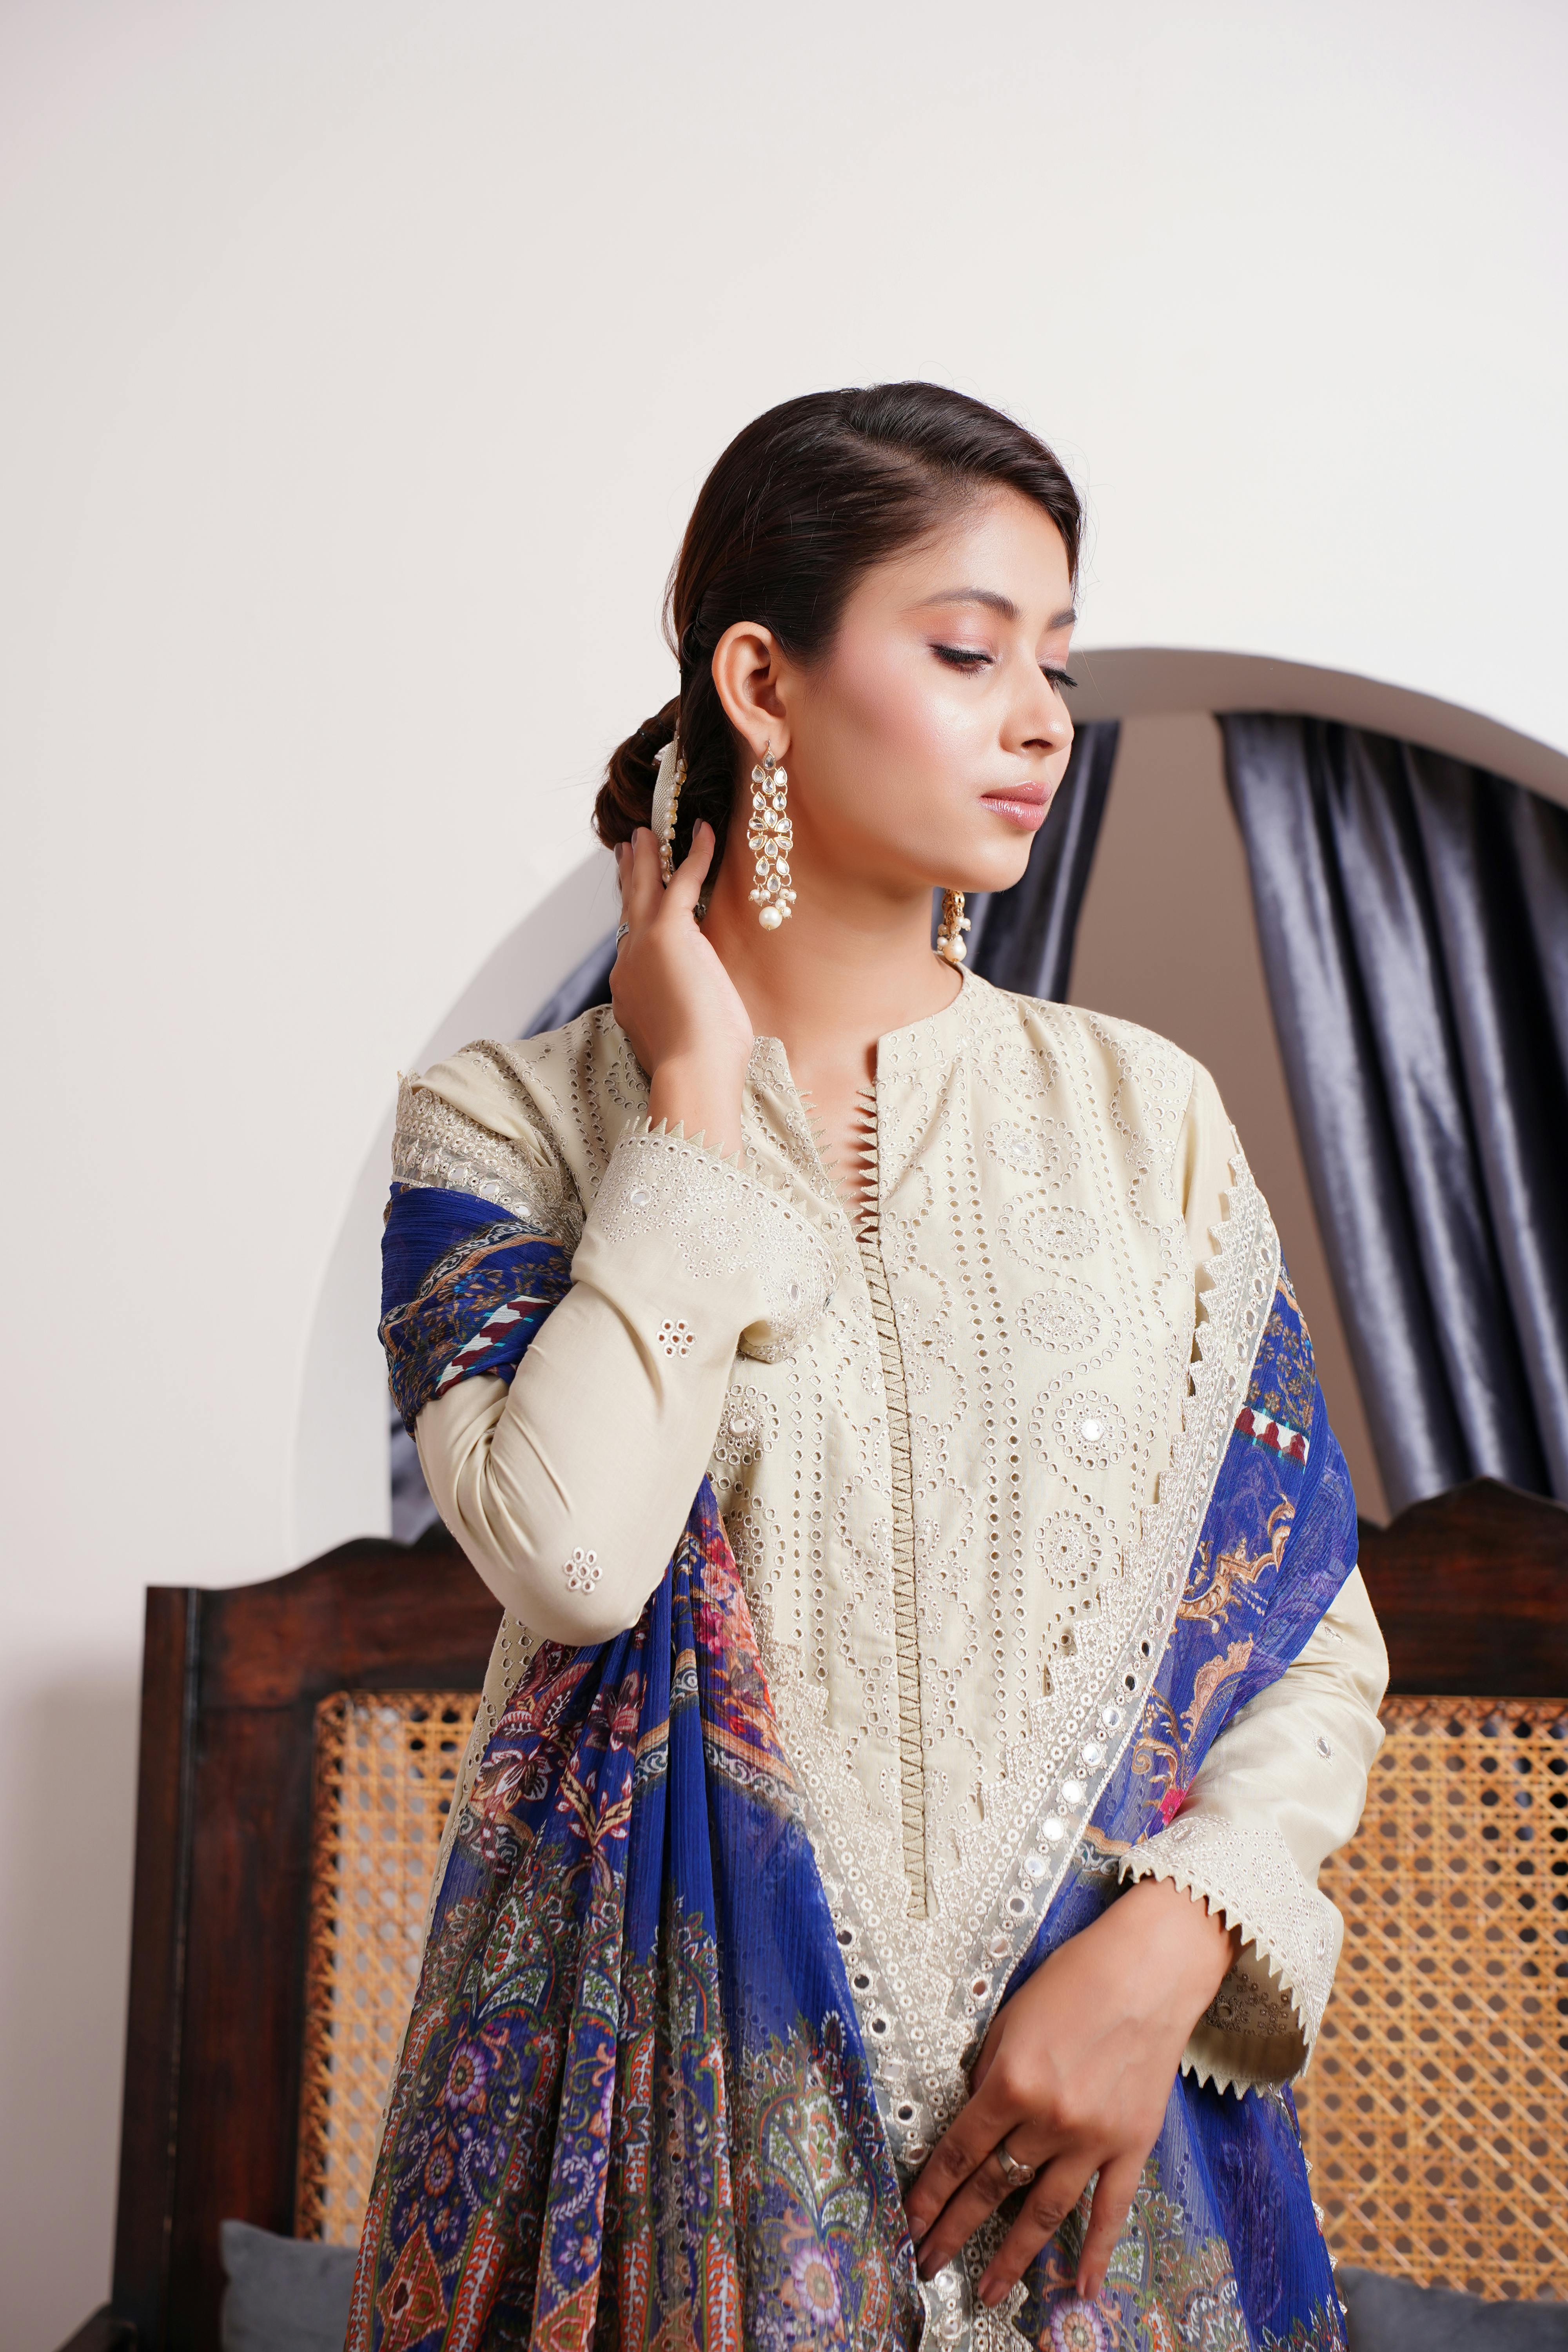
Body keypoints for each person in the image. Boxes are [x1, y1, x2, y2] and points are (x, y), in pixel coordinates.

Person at [352, 383, 1386, 2352]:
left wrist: (1175, 1949)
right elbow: (571, 1567)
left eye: (1054, 665)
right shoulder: (502, 1126)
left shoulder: (1140, 1118)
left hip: (1089, 2162)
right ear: (764, 679)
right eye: (967, 649)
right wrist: (684, 1099)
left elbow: (1302, 1631)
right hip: (665, 2150)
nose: (1038, 718)